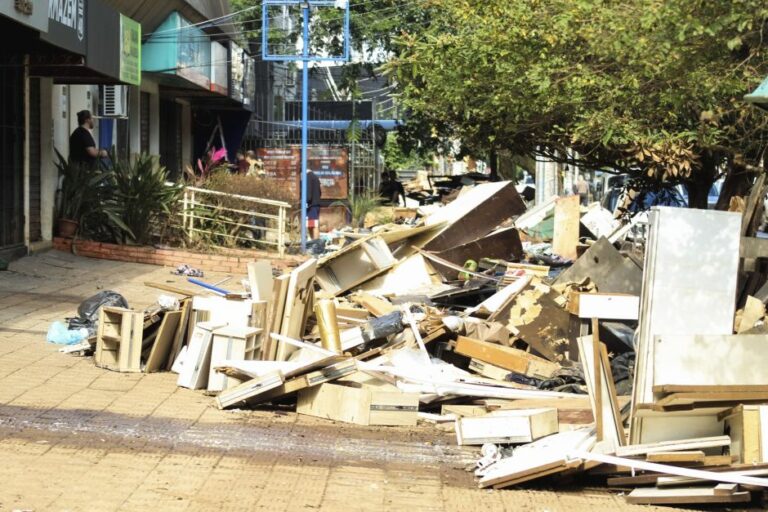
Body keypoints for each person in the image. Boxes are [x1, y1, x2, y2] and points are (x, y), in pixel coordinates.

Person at [306, 169, 322, 240]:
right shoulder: (316, 177)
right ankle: (314, 242)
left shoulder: (308, 177)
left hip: (311, 205)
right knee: (310, 225)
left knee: (314, 225)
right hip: (316, 204)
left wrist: (305, 201)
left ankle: (315, 244)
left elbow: (308, 194)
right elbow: (320, 192)